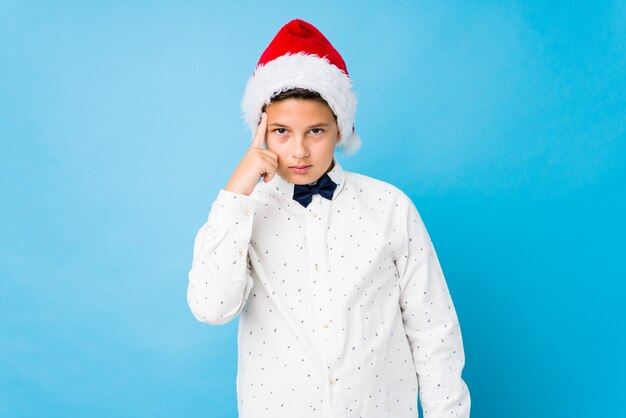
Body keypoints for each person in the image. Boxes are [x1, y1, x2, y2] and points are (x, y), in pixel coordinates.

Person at [187, 18, 470, 418]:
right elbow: (212, 306)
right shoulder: (243, 213)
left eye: (315, 131)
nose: (299, 151)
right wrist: (236, 192)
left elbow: (433, 328)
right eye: (282, 131)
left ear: (340, 128)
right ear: (260, 132)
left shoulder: (390, 206)